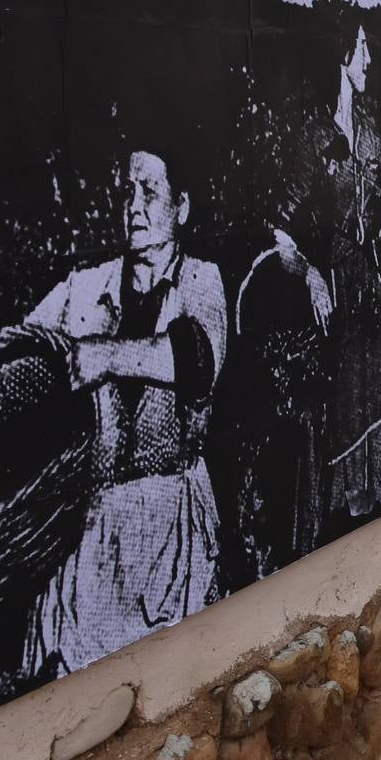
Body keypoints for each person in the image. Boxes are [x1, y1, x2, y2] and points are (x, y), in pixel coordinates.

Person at [22, 148, 229, 674]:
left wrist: (102, 355)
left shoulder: (202, 282)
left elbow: (193, 360)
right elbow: (22, 353)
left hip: (168, 533)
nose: (133, 207)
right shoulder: (85, 288)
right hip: (91, 532)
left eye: (150, 193)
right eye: (127, 193)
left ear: (180, 207)